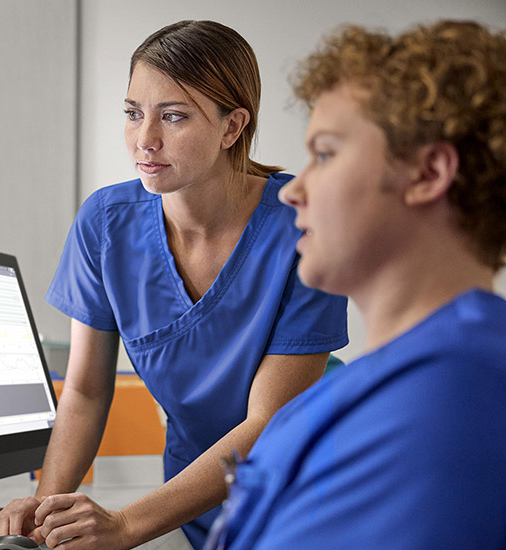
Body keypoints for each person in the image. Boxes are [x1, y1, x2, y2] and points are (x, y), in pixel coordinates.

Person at [0, 20, 348, 550]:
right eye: (133, 114)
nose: (144, 140)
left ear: (231, 126)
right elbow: (85, 390)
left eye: (173, 116)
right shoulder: (106, 223)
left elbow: (271, 421)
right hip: (193, 489)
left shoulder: (302, 220)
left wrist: (127, 524)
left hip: (309, 480)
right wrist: (45, 513)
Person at [205, 20, 506, 549]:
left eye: (324, 154)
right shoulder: (374, 387)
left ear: (427, 173)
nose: (292, 190)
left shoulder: (454, 399)